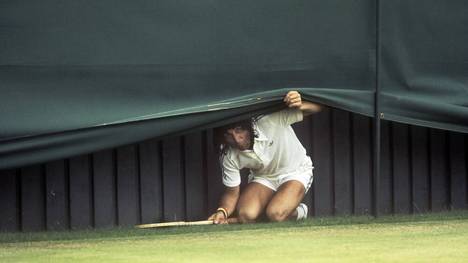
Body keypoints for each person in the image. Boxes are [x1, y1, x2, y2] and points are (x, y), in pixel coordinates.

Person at [208, 91, 322, 224]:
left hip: (296, 171)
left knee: (275, 214)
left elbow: (318, 107)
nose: (237, 140)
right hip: (264, 178)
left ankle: (299, 211)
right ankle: (278, 205)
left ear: (248, 126)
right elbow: (231, 193)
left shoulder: (268, 120)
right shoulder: (227, 153)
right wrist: (222, 211)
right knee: (246, 215)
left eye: (239, 130)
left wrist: (300, 104)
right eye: (229, 135)